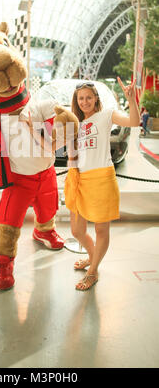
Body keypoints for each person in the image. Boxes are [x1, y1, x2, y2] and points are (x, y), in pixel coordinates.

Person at [64, 77, 140, 291]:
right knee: (77, 230)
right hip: (79, 179)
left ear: (96, 99)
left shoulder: (106, 115)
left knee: (101, 231)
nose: (84, 102)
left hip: (102, 180)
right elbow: (71, 153)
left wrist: (132, 100)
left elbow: (133, 122)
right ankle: (92, 256)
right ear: (76, 101)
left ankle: (93, 270)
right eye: (81, 98)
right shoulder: (75, 123)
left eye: (89, 97)